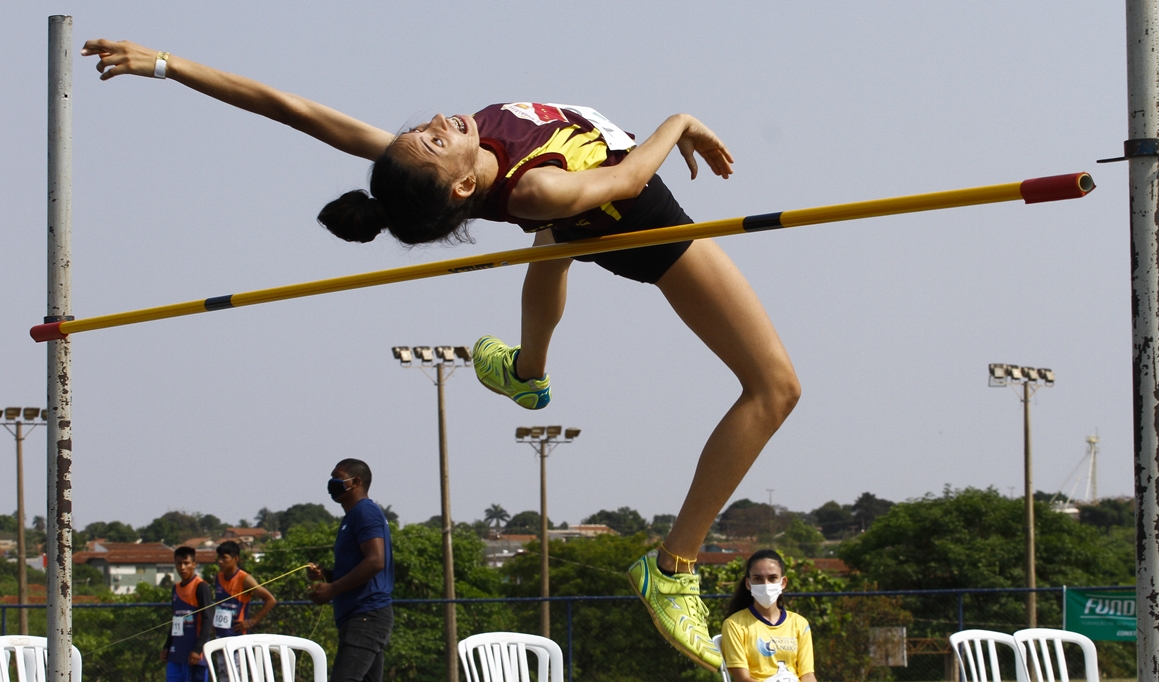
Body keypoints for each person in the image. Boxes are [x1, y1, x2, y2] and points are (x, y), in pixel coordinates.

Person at [80, 39, 801, 671]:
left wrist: (167, 66)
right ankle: (672, 567)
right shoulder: (539, 187)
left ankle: (524, 371)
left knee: (551, 249)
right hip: (642, 222)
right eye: (431, 142)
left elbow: (290, 108)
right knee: (775, 388)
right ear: (459, 184)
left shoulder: (446, 166)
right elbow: (627, 180)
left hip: (573, 215)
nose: (431, 125)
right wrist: (678, 122)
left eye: (419, 131)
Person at [305, 459, 394, 682]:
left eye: (337, 477)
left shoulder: (365, 511)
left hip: (366, 615)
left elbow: (376, 561)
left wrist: (332, 589)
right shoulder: (352, 516)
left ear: (355, 482)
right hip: (360, 616)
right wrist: (326, 574)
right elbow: (358, 568)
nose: (331, 483)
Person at [720, 550, 816, 682]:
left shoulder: (800, 624)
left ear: (783, 582)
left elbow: (808, 676)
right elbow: (742, 679)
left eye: (772, 578)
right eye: (758, 578)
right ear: (748, 584)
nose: (766, 585)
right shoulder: (734, 624)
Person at [209, 540, 277, 679]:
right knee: (223, 677)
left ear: (236, 559)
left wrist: (251, 621)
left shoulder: (245, 579)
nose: (220, 562)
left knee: (237, 677)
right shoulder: (219, 577)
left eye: (224, 558)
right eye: (219, 558)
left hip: (237, 637)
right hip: (220, 636)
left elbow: (270, 600)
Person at [162, 546, 213, 682]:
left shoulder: (201, 586)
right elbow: (175, 620)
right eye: (179, 563)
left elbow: (208, 619)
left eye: (186, 563)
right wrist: (167, 645)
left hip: (194, 655)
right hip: (176, 653)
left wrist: (197, 649)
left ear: (194, 564)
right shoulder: (176, 588)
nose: (182, 567)